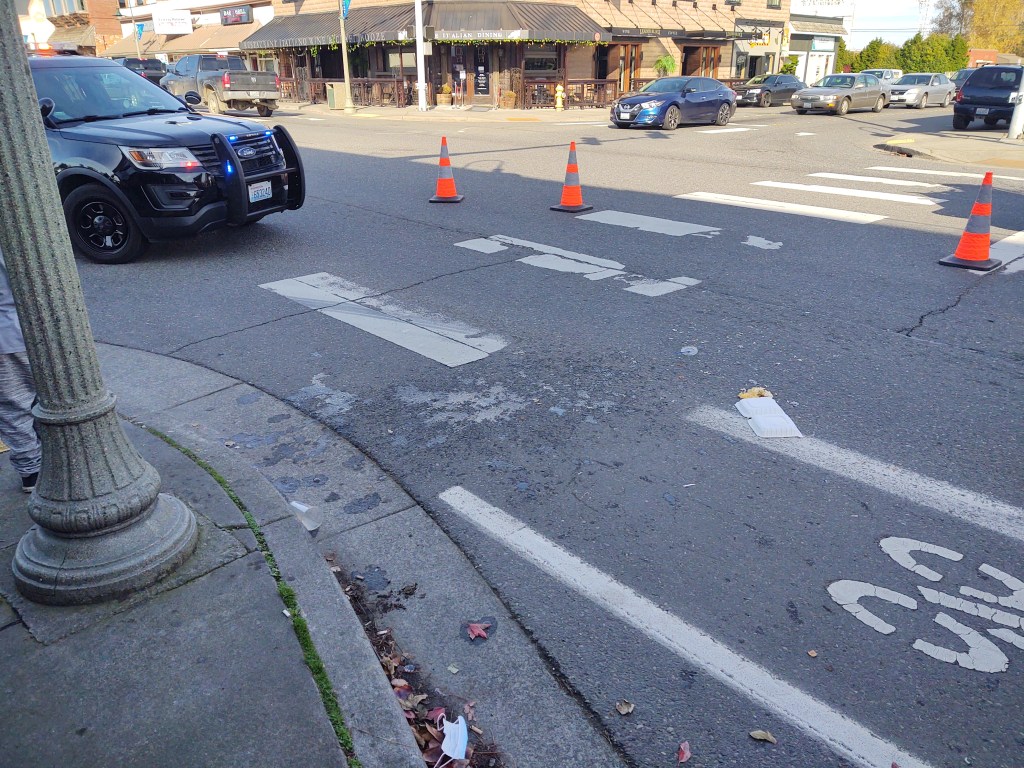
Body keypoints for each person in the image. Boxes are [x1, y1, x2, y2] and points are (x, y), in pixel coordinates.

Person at [0, 248, 42, 493]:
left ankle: (31, 470)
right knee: (39, 398)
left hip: (7, 336)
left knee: (13, 407)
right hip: (29, 328)